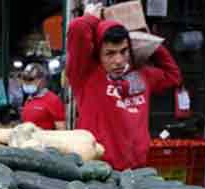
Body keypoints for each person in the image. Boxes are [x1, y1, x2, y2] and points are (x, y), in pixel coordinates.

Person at [66, 3, 182, 170]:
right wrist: (92, 17)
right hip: (98, 169)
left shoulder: (143, 75)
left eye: (124, 51)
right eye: (110, 53)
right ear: (98, 54)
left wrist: (149, 41)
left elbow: (173, 76)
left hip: (137, 168)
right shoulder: (86, 75)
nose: (119, 60)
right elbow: (77, 28)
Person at [20, 63, 66, 130]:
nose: (26, 83)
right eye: (25, 79)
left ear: (41, 80)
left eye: (30, 80)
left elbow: (62, 130)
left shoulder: (53, 100)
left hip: (45, 139)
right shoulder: (29, 99)